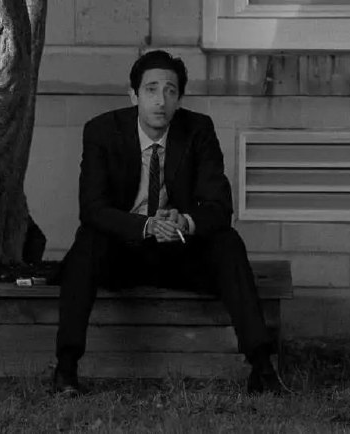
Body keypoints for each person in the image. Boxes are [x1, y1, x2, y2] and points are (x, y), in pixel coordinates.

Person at [52, 50, 282, 396]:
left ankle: (261, 366)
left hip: (179, 253)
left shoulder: (198, 130)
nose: (161, 100)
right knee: (88, 241)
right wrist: (145, 226)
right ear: (134, 95)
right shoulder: (102, 131)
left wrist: (185, 222)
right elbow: (93, 209)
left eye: (170, 91)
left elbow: (220, 207)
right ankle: (66, 369)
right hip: (124, 252)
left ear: (179, 99)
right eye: (151, 90)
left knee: (228, 242)